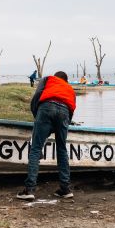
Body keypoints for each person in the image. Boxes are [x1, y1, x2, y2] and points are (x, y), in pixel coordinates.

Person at [17, 71, 76, 201]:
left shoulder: (49, 79)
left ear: (56, 77)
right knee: (62, 149)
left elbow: (37, 96)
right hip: (65, 112)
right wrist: (63, 125)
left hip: (47, 107)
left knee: (36, 148)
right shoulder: (70, 89)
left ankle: (30, 189)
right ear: (65, 80)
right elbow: (72, 109)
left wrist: (37, 116)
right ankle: (65, 189)